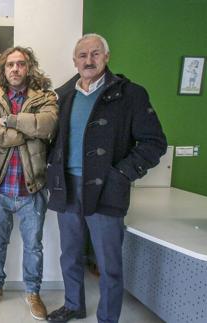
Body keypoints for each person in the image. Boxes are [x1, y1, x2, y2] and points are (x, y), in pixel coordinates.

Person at [46, 34, 167, 323]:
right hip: (67, 188)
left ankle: (108, 318)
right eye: (83, 55)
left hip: (106, 190)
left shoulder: (131, 94)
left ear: (107, 57)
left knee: (109, 264)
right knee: (70, 255)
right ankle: (74, 305)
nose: (89, 60)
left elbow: (154, 142)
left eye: (95, 54)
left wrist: (122, 173)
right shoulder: (62, 96)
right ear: (74, 61)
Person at [0, 46, 58, 320]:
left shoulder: (44, 97)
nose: (15, 69)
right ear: (3, 69)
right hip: (0, 187)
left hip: (31, 188)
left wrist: (10, 120)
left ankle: (33, 293)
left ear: (28, 67)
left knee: (33, 246)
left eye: (20, 64)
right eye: (10, 64)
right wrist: (26, 132)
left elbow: (47, 126)